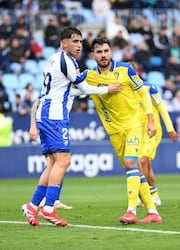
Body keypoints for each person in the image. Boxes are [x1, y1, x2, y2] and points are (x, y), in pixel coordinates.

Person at [21, 27, 122, 227]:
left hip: (46, 113)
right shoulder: (67, 60)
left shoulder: (52, 59)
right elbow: (82, 87)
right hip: (54, 116)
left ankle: (33, 206)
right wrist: (105, 89)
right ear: (64, 42)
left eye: (80, 41)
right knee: (64, 161)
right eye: (75, 41)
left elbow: (66, 91)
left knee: (52, 164)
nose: (79, 45)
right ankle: (48, 208)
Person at [79, 37, 162, 224]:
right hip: (114, 131)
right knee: (134, 169)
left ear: (111, 52)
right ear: (92, 55)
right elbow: (74, 89)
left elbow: (143, 92)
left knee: (131, 163)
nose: (103, 55)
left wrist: (150, 120)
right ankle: (153, 212)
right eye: (99, 52)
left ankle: (131, 211)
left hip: (134, 124)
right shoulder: (89, 76)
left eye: (106, 51)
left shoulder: (125, 69)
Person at [138, 81, 179, 207]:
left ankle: (145, 196)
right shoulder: (124, 90)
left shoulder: (149, 87)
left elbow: (161, 108)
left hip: (153, 131)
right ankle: (154, 195)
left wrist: (170, 129)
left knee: (142, 160)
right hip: (137, 131)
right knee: (145, 164)